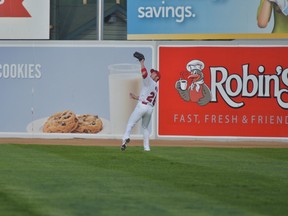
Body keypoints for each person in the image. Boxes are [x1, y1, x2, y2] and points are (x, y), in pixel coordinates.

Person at [121, 52, 161, 152]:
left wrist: (142, 62)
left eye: (154, 73)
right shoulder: (156, 87)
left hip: (142, 107)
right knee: (145, 128)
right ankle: (147, 148)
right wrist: (136, 97)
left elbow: (144, 73)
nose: (152, 73)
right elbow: (147, 97)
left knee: (130, 123)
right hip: (149, 108)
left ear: (156, 77)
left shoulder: (150, 81)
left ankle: (125, 139)